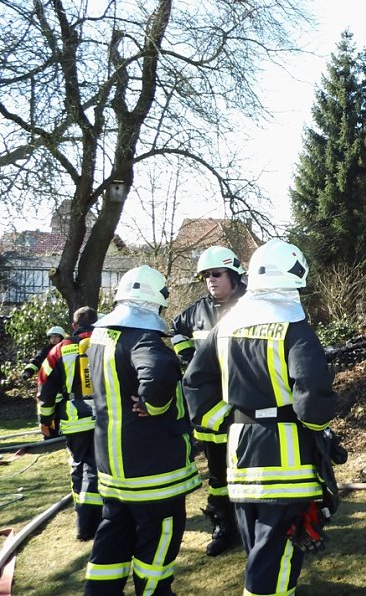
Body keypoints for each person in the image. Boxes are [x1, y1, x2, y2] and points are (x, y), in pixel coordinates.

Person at [184, 239, 338, 596]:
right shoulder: (294, 325)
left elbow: (195, 381)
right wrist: (318, 430)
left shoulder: (227, 324)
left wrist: (225, 421)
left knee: (257, 546)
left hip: (240, 456)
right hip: (287, 463)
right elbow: (313, 392)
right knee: (278, 555)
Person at [84, 265, 201, 596]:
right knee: (158, 541)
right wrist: (154, 403)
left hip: (113, 468)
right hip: (152, 471)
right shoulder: (143, 337)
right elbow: (160, 373)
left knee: (113, 537)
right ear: (155, 301)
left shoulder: (101, 336)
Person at [171, 245, 246, 556]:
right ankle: (223, 525)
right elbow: (175, 330)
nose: (211, 281)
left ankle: (254, 524)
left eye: (217, 274)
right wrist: (187, 356)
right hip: (211, 412)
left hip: (246, 408)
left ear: (233, 274)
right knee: (218, 478)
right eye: (206, 276)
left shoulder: (251, 305)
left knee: (250, 471)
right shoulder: (196, 311)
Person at [36, 307, 102, 540]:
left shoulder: (58, 350)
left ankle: (85, 526)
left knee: (81, 468)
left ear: (73, 326)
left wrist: (46, 421)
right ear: (97, 322)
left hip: (75, 420)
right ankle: (107, 520)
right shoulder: (107, 342)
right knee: (105, 467)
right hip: (107, 417)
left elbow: (45, 389)